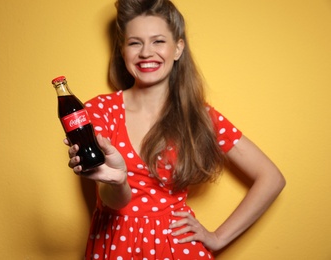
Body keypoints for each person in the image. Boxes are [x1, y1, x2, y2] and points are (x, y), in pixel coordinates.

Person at [65, 0, 286, 259]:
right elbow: (112, 197)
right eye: (135, 42)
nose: (146, 52)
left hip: (177, 249)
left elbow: (271, 178)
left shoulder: (198, 117)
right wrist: (119, 180)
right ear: (122, 50)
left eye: (158, 41)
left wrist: (217, 238)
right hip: (115, 246)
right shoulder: (98, 110)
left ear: (178, 48)